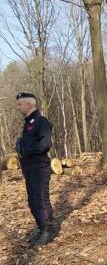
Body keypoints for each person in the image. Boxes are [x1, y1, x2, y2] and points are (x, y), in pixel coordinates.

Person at [15, 93, 56, 245]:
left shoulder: (41, 122)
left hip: (39, 168)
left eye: (20, 104)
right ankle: (41, 229)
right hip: (30, 168)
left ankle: (48, 231)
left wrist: (26, 149)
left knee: (40, 200)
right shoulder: (28, 123)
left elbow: (45, 144)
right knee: (32, 201)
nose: (18, 107)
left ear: (29, 105)